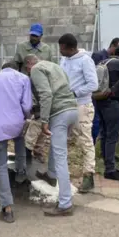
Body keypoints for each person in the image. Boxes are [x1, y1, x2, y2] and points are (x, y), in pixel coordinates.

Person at [25, 54, 79, 216]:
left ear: (29, 64)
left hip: (60, 113)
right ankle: (51, 174)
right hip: (73, 110)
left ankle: (65, 204)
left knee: (61, 157)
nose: (28, 73)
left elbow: (46, 94)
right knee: (58, 151)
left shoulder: (36, 69)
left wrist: (44, 119)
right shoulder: (55, 66)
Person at [0, 61, 32, 223]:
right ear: (16, 68)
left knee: (0, 165)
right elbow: (27, 106)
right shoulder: (23, 78)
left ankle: (7, 207)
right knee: (20, 139)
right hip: (16, 123)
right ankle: (21, 173)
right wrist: (21, 115)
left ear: (2, 68)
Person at [58, 33, 98, 193]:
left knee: (85, 141)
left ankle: (89, 176)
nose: (60, 51)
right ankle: (60, 173)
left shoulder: (85, 60)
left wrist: (75, 93)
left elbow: (93, 84)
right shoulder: (64, 60)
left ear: (72, 48)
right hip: (65, 106)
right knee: (62, 139)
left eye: (63, 49)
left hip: (82, 106)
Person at [94, 44, 119, 181]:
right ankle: (110, 169)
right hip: (111, 102)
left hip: (99, 100)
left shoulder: (102, 62)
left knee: (104, 133)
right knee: (112, 136)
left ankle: (106, 162)